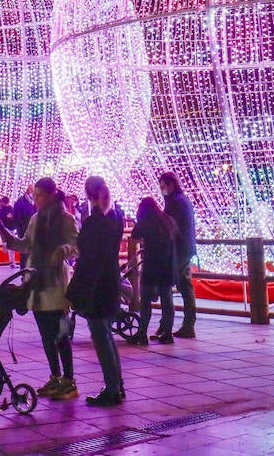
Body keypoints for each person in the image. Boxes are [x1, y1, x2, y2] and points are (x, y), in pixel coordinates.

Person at [0, 176, 79, 401]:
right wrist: (11, 241)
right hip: (37, 280)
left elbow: (76, 246)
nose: (36, 200)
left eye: (40, 196)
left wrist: (62, 250)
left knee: (61, 334)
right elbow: (27, 245)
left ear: (52, 195)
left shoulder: (66, 219)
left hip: (55, 282)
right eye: (34, 196)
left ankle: (69, 379)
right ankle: (55, 375)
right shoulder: (35, 219)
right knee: (46, 334)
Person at [66, 176, 126, 406]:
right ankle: (117, 385)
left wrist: (74, 291)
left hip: (97, 285)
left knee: (101, 337)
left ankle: (112, 388)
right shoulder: (116, 217)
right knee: (106, 335)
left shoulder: (93, 223)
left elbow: (88, 260)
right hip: (111, 280)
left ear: (89, 195)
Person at [129, 196, 178, 346]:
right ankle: (168, 333)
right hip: (168, 265)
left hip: (152, 265)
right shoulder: (168, 220)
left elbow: (135, 234)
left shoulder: (146, 221)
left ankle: (142, 333)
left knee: (145, 301)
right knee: (167, 298)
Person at [159, 172, 197, 338]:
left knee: (167, 284)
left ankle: (168, 325)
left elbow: (169, 225)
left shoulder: (175, 202)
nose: (162, 190)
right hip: (185, 247)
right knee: (185, 285)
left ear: (171, 185)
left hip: (179, 249)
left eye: (163, 186)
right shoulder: (182, 200)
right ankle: (188, 324)